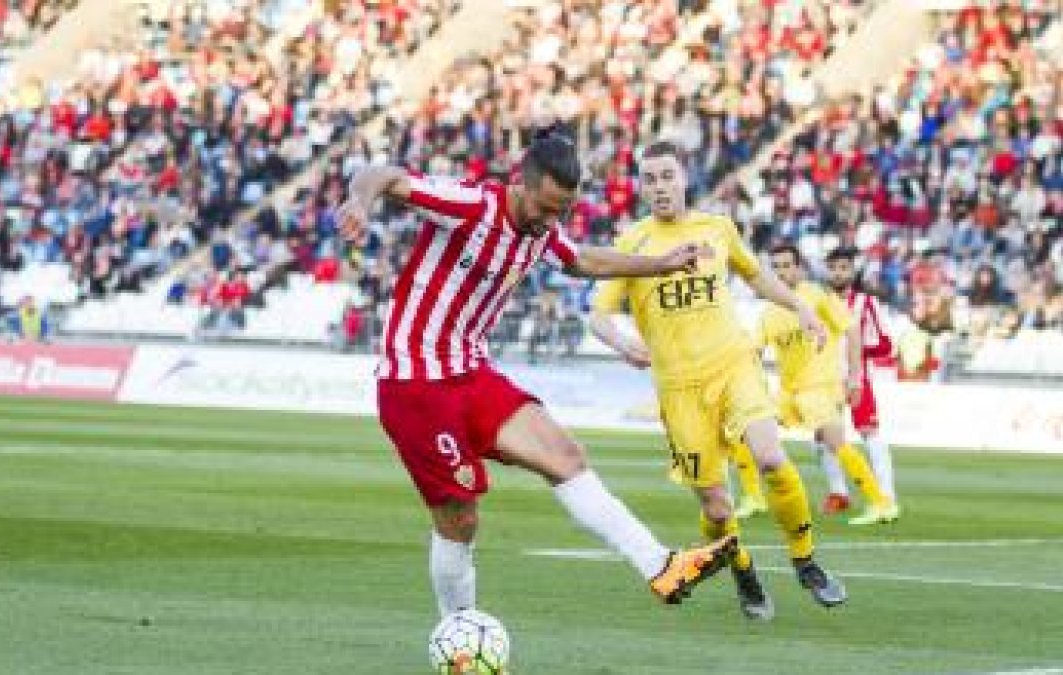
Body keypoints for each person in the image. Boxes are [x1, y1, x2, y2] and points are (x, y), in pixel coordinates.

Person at [333, 128, 736, 619]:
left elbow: (582, 258)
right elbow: (379, 174)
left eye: (561, 212)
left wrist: (660, 265)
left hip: (470, 372)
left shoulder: (541, 230)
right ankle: (459, 636)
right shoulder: (469, 205)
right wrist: (359, 203)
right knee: (460, 518)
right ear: (522, 182)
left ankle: (660, 566)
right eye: (544, 208)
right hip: (415, 382)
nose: (550, 222)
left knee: (565, 454)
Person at [589, 140, 846, 622]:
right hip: (678, 389)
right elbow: (598, 316)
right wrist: (623, 344)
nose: (661, 187)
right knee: (716, 504)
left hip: (734, 365)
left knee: (770, 456)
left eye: (668, 176)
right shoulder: (631, 244)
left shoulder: (717, 228)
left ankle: (806, 559)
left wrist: (800, 304)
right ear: (641, 188)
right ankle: (743, 570)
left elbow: (757, 277)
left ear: (684, 178)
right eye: (650, 179)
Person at [731, 244, 896, 527]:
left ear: (799, 267)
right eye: (777, 266)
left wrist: (855, 376)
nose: (782, 272)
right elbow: (755, 350)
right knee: (745, 431)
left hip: (821, 385)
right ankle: (754, 498)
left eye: (787, 265)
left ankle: (882, 503)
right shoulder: (771, 310)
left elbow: (851, 329)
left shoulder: (817, 296)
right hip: (788, 391)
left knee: (835, 443)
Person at [820, 246, 900, 518]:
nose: (838, 273)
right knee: (824, 437)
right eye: (833, 268)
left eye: (843, 268)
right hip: (824, 380)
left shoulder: (866, 303)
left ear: (853, 271)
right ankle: (838, 492)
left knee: (869, 433)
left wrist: (856, 350)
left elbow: (885, 344)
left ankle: (886, 494)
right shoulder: (819, 302)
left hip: (857, 378)